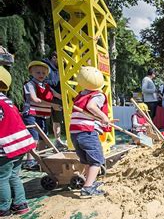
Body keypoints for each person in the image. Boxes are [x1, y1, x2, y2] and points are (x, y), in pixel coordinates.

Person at [0, 66, 36, 216]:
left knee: (2, 177)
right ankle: (20, 204)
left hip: (7, 147)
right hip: (20, 144)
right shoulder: (6, 100)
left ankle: (3, 208)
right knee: (14, 175)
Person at [69, 66, 110, 198]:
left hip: (75, 132)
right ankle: (87, 188)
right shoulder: (98, 95)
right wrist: (104, 117)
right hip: (87, 132)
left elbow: (84, 110)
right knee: (97, 160)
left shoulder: (81, 94)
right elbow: (91, 107)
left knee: (86, 160)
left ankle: (89, 181)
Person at [22, 61, 62, 170]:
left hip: (43, 115)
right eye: (38, 72)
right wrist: (53, 105)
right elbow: (34, 99)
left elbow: (58, 95)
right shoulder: (29, 84)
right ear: (31, 72)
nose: (41, 75)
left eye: (43, 73)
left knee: (43, 138)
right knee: (33, 138)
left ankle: (40, 159)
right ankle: (30, 160)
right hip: (32, 114)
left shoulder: (46, 86)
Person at [42, 51, 67, 149]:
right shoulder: (45, 67)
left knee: (57, 119)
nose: (63, 64)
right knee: (44, 119)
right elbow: (44, 83)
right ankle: (43, 142)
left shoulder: (58, 69)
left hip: (57, 98)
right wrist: (55, 94)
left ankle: (58, 140)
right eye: (61, 61)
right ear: (54, 58)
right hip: (48, 98)